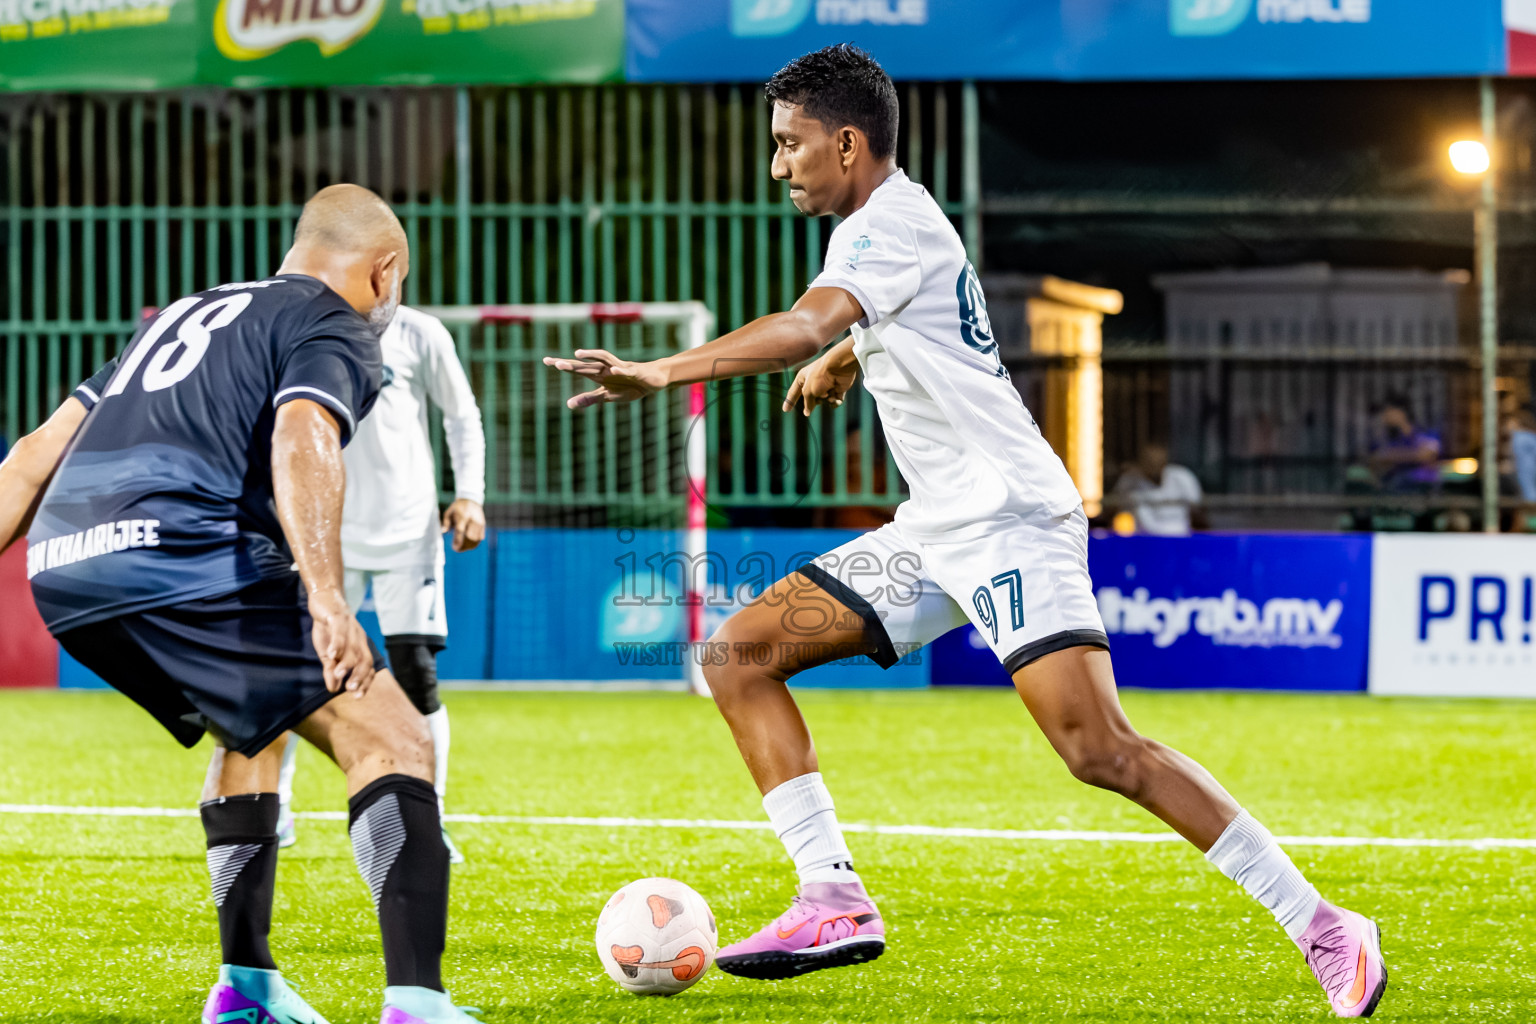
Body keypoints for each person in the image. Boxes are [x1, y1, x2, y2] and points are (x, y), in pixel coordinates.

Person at [545, 45, 1386, 1018]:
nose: (779, 165)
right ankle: (831, 895)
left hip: (1012, 519)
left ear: (846, 143)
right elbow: (893, 325)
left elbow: (800, 322)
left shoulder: (881, 228)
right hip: (938, 526)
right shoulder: (892, 223)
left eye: (791, 144)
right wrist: (852, 359)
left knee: (1099, 750)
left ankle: (1324, 922)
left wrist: (665, 370)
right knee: (737, 652)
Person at [4, 185, 477, 1024]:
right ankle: (418, 1003)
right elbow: (304, 435)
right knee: (393, 733)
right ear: (385, 271)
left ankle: (245, 988)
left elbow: (36, 453)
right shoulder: (334, 323)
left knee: (251, 725)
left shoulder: (185, 315)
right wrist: (328, 598)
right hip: (182, 552)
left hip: (66, 571)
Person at [277, 305, 486, 862]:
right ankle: (275, 806)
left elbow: (461, 414)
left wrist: (470, 494)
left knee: (416, 673)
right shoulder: (302, 324)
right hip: (325, 530)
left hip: (407, 532)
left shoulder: (421, 332)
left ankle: (429, 817)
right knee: (297, 669)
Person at [1110, 443, 1206, 536]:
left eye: (1159, 462)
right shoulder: (1129, 480)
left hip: (1179, 537)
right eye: (1150, 461)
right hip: (1143, 540)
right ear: (1141, 462)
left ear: (1165, 461)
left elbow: (1198, 512)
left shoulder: (1181, 477)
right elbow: (1113, 510)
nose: (1155, 465)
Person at [1367, 394, 1440, 492]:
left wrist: (1390, 455)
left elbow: (1427, 455)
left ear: (1401, 411)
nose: (1385, 416)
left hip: (1424, 492)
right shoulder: (1389, 440)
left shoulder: (1425, 433)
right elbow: (1375, 459)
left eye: (1388, 411)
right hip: (1397, 493)